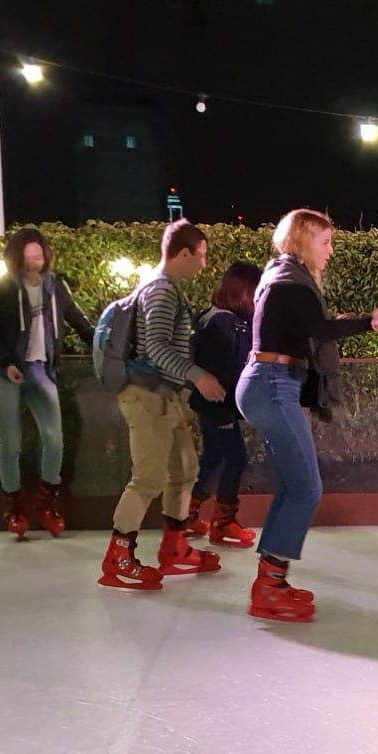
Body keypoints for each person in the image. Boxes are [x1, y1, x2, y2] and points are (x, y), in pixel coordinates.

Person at [238, 209, 378, 622]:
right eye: (325, 242)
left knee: (292, 487)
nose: (331, 252)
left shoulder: (283, 279)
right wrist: (375, 323)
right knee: (306, 489)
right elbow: (319, 329)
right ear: (303, 241)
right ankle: (268, 587)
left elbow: (310, 327)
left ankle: (272, 582)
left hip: (270, 381)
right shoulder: (288, 281)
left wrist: (373, 322)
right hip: (272, 382)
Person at [98, 220, 225, 591]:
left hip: (164, 397)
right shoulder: (161, 292)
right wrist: (197, 375)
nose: (203, 265)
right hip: (147, 396)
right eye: (200, 257)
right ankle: (118, 557)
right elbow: (156, 347)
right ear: (183, 253)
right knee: (149, 478)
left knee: (184, 468)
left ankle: (175, 547)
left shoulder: (163, 289)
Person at [0, 227, 95, 539]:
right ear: (17, 256)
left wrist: (104, 343)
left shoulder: (55, 287)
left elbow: (78, 321)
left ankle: (46, 503)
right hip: (5, 374)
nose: (36, 257)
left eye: (40, 251)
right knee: (12, 444)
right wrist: (6, 364)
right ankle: (15, 509)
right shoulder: (1, 287)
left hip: (42, 370)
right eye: (30, 252)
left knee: (55, 441)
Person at [183, 261, 262, 549]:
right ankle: (223, 522)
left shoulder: (224, 320)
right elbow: (222, 370)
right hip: (217, 405)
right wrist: (226, 410)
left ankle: (187, 515)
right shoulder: (223, 324)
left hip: (215, 405)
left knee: (215, 457)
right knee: (236, 458)